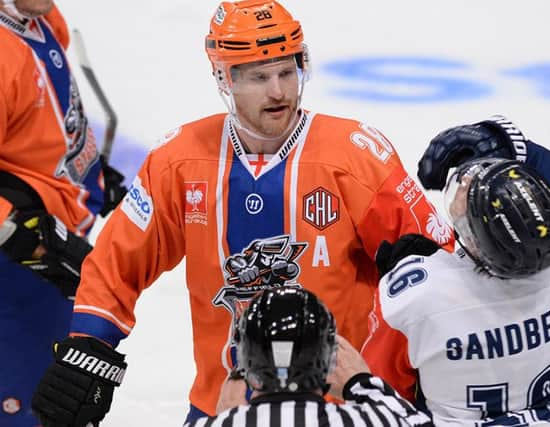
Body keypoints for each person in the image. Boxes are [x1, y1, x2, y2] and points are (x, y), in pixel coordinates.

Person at [31, 1, 454, 426]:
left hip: (343, 409)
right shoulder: (177, 162)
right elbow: (116, 263)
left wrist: (416, 377)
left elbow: (437, 271)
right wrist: (90, 347)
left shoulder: (358, 157)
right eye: (259, 77)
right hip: (224, 406)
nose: (279, 92)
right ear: (223, 78)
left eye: (287, 72)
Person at [362, 115, 550, 426]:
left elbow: (380, 399)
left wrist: (397, 272)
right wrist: (510, 145)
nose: (466, 185)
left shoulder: (415, 300)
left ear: (478, 246)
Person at [0, 1, 126, 426]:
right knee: (29, 408)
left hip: (50, 250)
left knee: (60, 403)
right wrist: (22, 234)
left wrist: (86, 173)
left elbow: (47, 118)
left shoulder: (38, 16)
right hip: (17, 268)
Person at [187, 286, 434, 427]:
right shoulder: (377, 420)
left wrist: (225, 419)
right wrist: (361, 383)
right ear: (330, 360)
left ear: (245, 364)